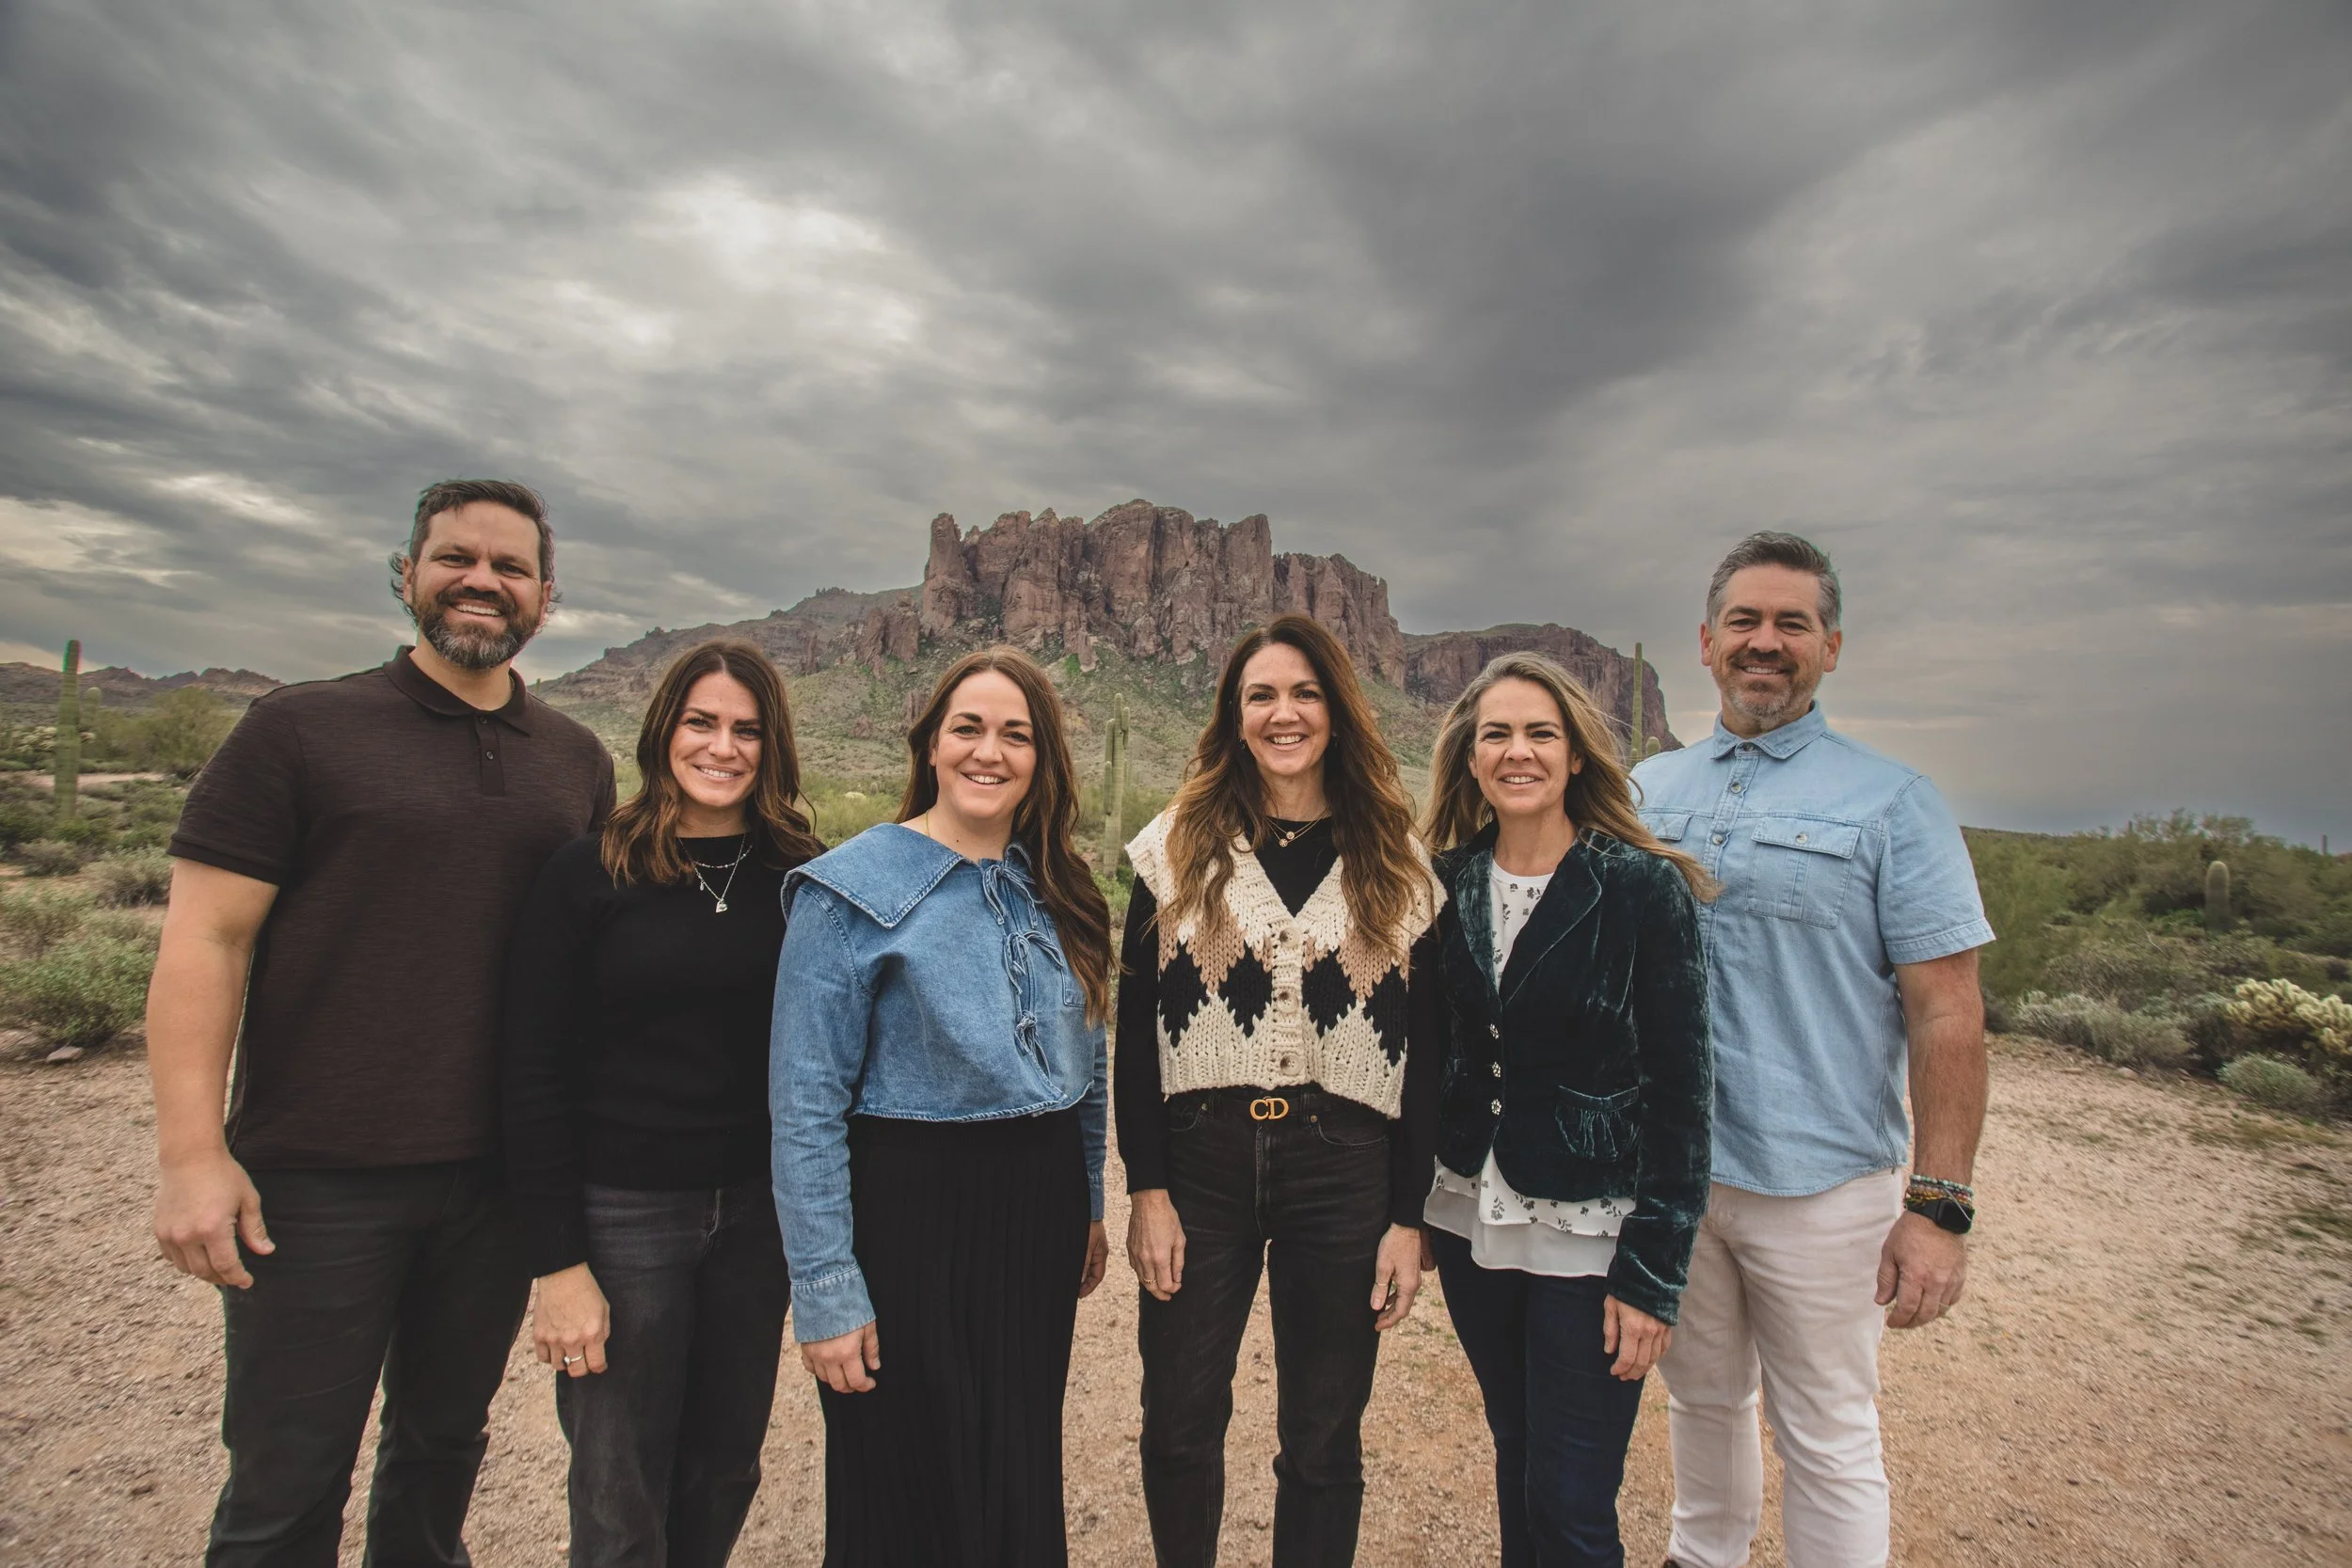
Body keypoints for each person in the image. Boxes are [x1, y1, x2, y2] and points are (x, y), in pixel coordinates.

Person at [149, 479, 614, 1566]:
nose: (482, 581)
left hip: (497, 1177)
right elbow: (203, 943)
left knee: (440, 1449)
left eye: (509, 566)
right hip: (317, 1177)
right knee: (285, 1478)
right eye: (457, 557)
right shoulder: (299, 729)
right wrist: (190, 1151)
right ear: (406, 575)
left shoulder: (576, 760)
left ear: (547, 595)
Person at [1633, 531, 1994, 1568]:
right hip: (1676, 1176)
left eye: (1792, 623)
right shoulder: (1646, 788)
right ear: (1704, 642)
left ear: (1830, 646)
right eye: (1744, 620)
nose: (1766, 641)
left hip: (1822, 1183)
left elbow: (1948, 1014)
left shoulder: (1892, 801)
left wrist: (1937, 1206)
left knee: (1828, 1433)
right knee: (1701, 1401)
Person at [770, 645, 1112, 1567]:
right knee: (905, 1481)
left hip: (1035, 1211)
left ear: (1040, 758)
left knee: (1014, 1465)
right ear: (928, 743)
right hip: (912, 1213)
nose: (988, 751)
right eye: (968, 726)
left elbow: (1090, 1061)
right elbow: (802, 1104)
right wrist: (826, 1288)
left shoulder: (1061, 888)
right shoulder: (847, 892)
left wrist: (1088, 1201)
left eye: (1016, 733)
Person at [1117, 612, 1444, 1568]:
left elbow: (1428, 1051)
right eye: (1261, 694)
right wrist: (1147, 1187)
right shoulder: (1171, 848)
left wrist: (1406, 1213)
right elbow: (1136, 1032)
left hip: (1344, 1167)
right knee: (1177, 1419)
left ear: (1337, 712)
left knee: (1323, 1434)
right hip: (1203, 1159)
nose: (1283, 712)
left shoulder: (1394, 857)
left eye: (1304, 692)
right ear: (1234, 714)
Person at [501, 639, 822, 1567]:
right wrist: (555, 1262)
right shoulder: (585, 873)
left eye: (746, 729)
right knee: (617, 1479)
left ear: (773, 745)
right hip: (623, 1215)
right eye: (702, 722)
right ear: (663, 730)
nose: (723, 746)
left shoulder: (802, 875)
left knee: (726, 1463)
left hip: (758, 1214)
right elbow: (531, 1070)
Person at [1419, 652, 1713, 1568]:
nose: (1517, 751)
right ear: (1469, 756)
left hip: (1590, 1231)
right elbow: (1425, 1058)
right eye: (1495, 733)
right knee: (1517, 1460)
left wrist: (1653, 1273)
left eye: (1539, 732)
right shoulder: (1441, 881)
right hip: (1469, 1217)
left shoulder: (1637, 886)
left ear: (1576, 753)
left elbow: (1682, 1088)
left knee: (1573, 1497)